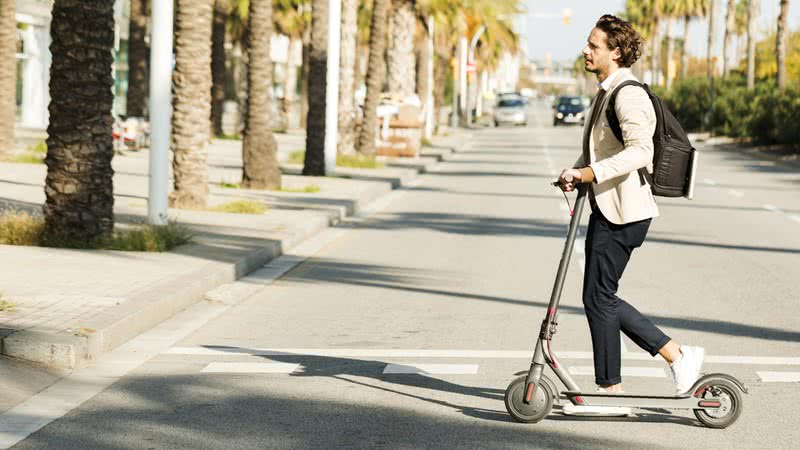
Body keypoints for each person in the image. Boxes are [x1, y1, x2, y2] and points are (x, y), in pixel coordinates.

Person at [558, 14, 704, 412]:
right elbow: (601, 148)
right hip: (610, 205)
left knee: (599, 296)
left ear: (616, 52)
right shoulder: (606, 90)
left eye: (594, 45)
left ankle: (654, 367)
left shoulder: (628, 93)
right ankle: (637, 374)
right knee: (598, 296)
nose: (585, 50)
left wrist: (589, 173)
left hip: (625, 212)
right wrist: (576, 171)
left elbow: (642, 151)